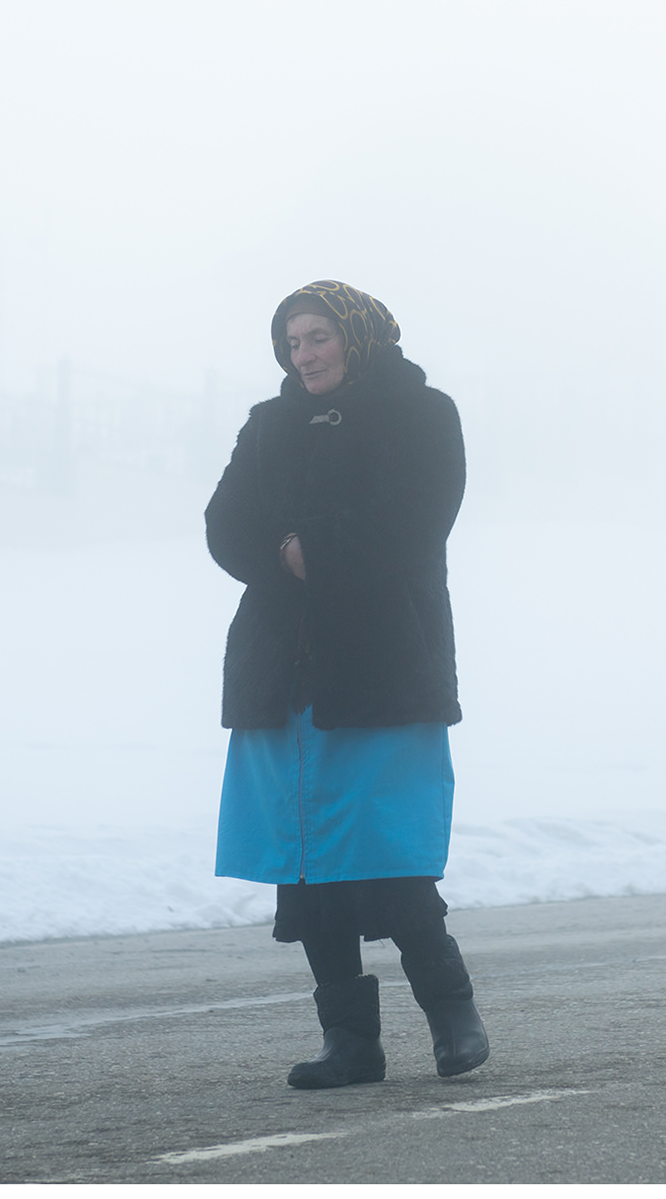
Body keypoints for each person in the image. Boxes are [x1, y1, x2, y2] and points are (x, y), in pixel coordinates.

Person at [205, 280, 490, 1090]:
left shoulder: (422, 413)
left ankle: (453, 1018)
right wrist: (288, 554)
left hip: (383, 663)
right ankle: (350, 1044)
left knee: (393, 855)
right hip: (283, 666)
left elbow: (419, 517)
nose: (305, 354)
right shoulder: (268, 424)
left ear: (357, 335)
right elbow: (224, 524)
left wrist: (310, 551)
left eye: (319, 337)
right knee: (307, 867)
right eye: (293, 341)